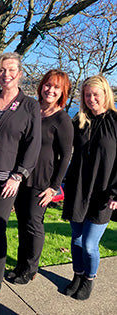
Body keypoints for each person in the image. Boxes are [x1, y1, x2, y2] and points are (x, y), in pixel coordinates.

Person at [0, 52, 41, 303]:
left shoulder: (29, 105)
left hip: (6, 180)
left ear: (20, 73)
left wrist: (19, 175)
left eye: (11, 70)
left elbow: (33, 144)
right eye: (2, 70)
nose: (6, 74)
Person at [7, 69, 74, 284]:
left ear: (63, 92)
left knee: (34, 224)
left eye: (56, 87)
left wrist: (54, 187)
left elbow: (65, 157)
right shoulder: (33, 110)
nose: (51, 90)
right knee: (23, 222)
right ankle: (20, 265)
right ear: (41, 86)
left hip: (42, 182)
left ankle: (29, 269)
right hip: (22, 176)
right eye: (48, 85)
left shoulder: (62, 119)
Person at [62, 75, 117, 300]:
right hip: (78, 189)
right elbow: (62, 148)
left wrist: (116, 192)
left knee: (90, 244)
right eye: (87, 95)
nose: (92, 98)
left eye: (96, 94)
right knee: (76, 239)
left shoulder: (115, 122)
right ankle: (78, 274)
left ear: (105, 94)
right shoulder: (79, 121)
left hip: (104, 192)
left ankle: (89, 279)